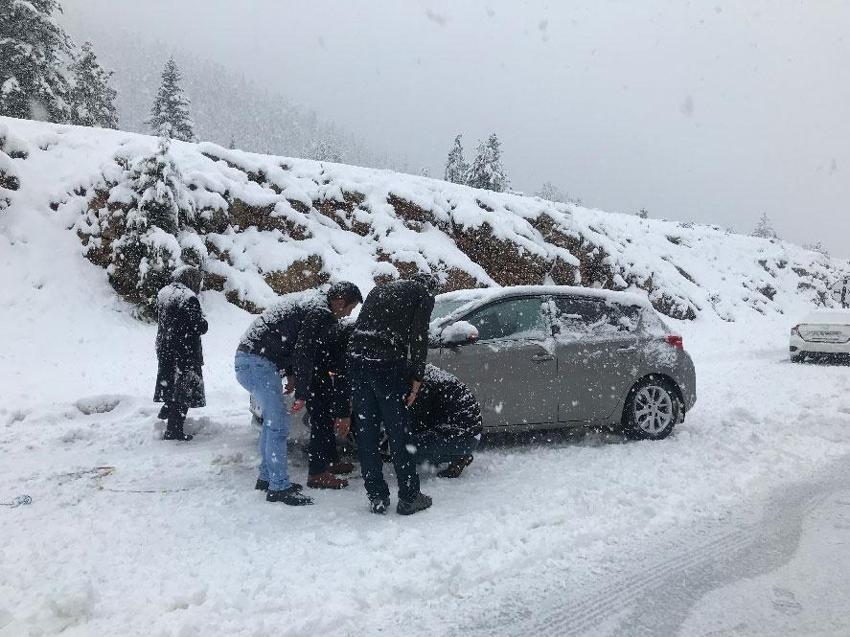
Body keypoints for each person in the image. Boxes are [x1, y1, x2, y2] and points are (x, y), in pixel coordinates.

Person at [235, 281, 362, 506]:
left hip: (255, 360)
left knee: (272, 424)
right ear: (340, 303)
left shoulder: (313, 305)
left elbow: (295, 344)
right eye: (350, 309)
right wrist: (302, 392)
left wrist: (293, 376)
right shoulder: (318, 312)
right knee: (278, 425)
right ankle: (278, 487)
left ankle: (267, 478)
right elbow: (304, 352)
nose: (347, 315)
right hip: (257, 362)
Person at [348, 272, 438, 515]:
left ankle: (377, 497)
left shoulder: (379, 291)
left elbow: (361, 327)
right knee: (398, 433)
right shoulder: (423, 294)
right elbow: (419, 337)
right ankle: (409, 497)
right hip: (386, 365)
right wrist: (417, 378)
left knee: (367, 434)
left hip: (357, 362)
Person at [154, 266, 207, 442]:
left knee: (171, 384)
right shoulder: (189, 298)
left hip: (165, 348)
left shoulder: (164, 293)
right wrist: (203, 321)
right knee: (184, 392)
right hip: (185, 352)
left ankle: (168, 407)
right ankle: (174, 430)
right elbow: (198, 327)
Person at [304, 322, 355, 490]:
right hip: (314, 375)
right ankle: (317, 474)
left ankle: (331, 462)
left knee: (326, 419)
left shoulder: (341, 334)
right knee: (320, 423)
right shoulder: (348, 343)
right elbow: (342, 379)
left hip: (319, 373)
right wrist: (343, 414)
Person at [408, 364, 482, 478]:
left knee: (406, 447)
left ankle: (459, 457)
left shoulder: (423, 386)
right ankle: (458, 453)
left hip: (464, 437)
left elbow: (419, 422)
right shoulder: (427, 374)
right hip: (469, 433)